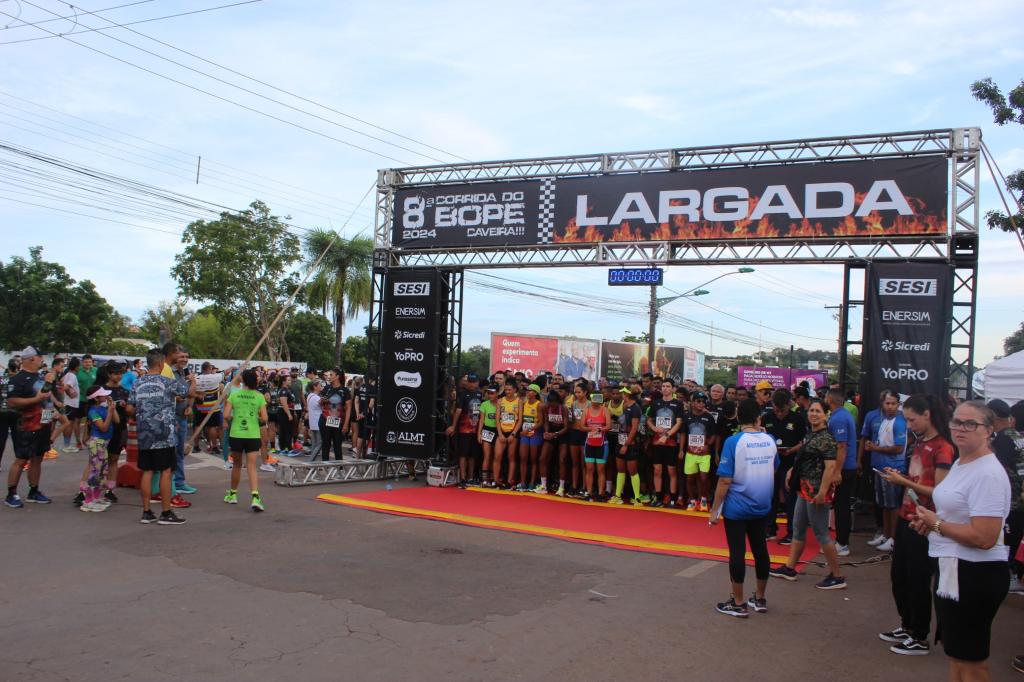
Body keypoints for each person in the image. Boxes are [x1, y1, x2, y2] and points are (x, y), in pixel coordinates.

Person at [910, 401, 1011, 681]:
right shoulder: (962, 461)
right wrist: (931, 525)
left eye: (970, 424)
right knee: (958, 656)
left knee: (972, 663)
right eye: (956, 421)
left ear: (989, 430)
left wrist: (937, 524)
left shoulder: (987, 473)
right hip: (954, 569)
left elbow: (984, 537)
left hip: (974, 574)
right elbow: (955, 513)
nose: (960, 428)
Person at [876, 394, 954, 656]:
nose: (909, 425)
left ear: (927, 414)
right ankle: (907, 625)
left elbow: (939, 492)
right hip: (906, 515)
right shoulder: (920, 442)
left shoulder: (943, 447)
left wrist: (905, 483)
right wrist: (900, 478)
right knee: (900, 576)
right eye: (906, 420)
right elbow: (917, 477)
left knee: (918, 580)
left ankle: (919, 635)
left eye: (911, 419)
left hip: (924, 522)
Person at [710, 398, 779, 617]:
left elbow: (724, 480)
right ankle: (760, 598)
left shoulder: (733, 442)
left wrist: (714, 510)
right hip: (762, 504)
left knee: (737, 552)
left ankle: (738, 602)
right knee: (760, 550)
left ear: (739, 417)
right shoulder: (769, 440)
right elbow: (773, 468)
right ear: (758, 417)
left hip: (737, 507)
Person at [770, 398, 847, 590]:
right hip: (803, 489)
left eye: (818, 411)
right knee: (798, 528)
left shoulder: (826, 438)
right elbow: (804, 459)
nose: (813, 414)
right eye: (811, 410)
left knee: (821, 533)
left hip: (816, 492)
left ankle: (837, 575)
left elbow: (830, 467)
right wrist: (791, 472)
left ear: (826, 415)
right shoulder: (811, 434)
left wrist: (822, 492)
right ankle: (789, 568)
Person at [127, 348, 193, 525]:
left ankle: (147, 511)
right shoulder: (167, 381)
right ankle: (165, 512)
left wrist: (142, 415)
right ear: (160, 363)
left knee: (147, 471)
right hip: (164, 433)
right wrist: (191, 381)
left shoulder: (137, 383)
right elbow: (186, 392)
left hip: (144, 433)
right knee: (166, 471)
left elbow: (129, 408)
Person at [5, 346, 55, 507]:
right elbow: (12, 402)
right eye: (40, 357)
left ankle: (34, 491)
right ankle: (11, 494)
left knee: (38, 458)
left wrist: (51, 417)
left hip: (43, 424)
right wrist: (35, 399)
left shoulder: (42, 377)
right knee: (21, 459)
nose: (42, 360)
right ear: (32, 358)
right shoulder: (17, 379)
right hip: (26, 425)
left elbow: (47, 400)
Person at [986, 398, 1024, 593]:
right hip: (1019, 498)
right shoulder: (1015, 435)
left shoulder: (1003, 439)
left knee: (1010, 540)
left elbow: (996, 469)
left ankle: (1010, 575)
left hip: (1012, 501)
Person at [865, 390, 909, 552]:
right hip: (880, 467)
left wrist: (876, 448)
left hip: (893, 469)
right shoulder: (885, 420)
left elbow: (898, 448)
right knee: (884, 504)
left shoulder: (899, 422)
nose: (890, 406)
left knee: (893, 505)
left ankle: (893, 538)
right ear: (882, 404)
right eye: (887, 403)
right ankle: (885, 534)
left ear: (898, 405)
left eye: (893, 403)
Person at [763, 389, 806, 543]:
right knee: (770, 497)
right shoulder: (766, 418)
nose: (779, 413)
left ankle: (792, 532)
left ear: (789, 405)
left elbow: (804, 442)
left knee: (790, 498)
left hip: (790, 464)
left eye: (782, 410)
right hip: (771, 464)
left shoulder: (798, 419)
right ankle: (770, 529)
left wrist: (791, 450)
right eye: (776, 409)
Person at [223, 369, 269, 512]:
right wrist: (256, 418)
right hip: (253, 435)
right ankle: (255, 497)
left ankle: (233, 494)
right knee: (252, 466)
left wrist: (234, 418)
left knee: (237, 465)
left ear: (243, 380)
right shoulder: (259, 396)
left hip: (237, 434)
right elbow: (265, 418)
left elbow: (226, 414)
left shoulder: (234, 395)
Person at [825, 387, 858, 557]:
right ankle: (840, 541)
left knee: (841, 505)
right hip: (845, 467)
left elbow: (841, 446)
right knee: (839, 504)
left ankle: (843, 543)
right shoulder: (842, 415)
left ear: (830, 399)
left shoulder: (839, 418)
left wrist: (837, 471)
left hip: (844, 468)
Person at [80, 385, 119, 512]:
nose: (106, 396)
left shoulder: (104, 408)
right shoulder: (93, 411)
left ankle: (96, 498)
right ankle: (88, 501)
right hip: (97, 443)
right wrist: (109, 413)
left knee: (102, 472)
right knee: (95, 473)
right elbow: (103, 428)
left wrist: (112, 408)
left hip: (103, 444)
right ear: (97, 398)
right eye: (103, 395)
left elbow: (117, 420)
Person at [646, 378, 684, 507]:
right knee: (657, 470)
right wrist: (654, 428)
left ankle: (673, 498)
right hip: (657, 442)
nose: (665, 388)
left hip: (671, 443)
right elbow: (649, 420)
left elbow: (679, 423)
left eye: (668, 386)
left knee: (671, 471)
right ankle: (658, 497)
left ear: (673, 389)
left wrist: (667, 435)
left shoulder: (677, 404)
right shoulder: (656, 403)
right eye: (663, 386)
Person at [682, 390, 718, 512]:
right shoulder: (687, 417)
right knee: (690, 478)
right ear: (692, 403)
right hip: (690, 453)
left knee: (704, 477)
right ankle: (692, 501)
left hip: (704, 454)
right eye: (698, 401)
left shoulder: (709, 417)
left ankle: (703, 499)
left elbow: (713, 435)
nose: (701, 404)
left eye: (703, 401)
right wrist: (681, 450)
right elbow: (683, 434)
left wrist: (707, 444)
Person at [610, 388, 645, 506]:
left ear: (627, 395)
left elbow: (634, 428)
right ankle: (618, 495)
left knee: (633, 471)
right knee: (620, 470)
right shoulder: (625, 405)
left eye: (623, 393)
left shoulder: (636, 409)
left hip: (631, 444)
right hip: (620, 440)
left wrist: (626, 444)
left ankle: (637, 498)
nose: (620, 395)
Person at [448, 373, 482, 487]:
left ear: (477, 382)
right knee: (463, 454)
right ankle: (463, 478)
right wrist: (453, 426)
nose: (472, 384)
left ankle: (470, 477)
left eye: (474, 382)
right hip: (464, 429)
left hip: (476, 430)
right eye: (470, 382)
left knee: (473, 455)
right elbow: (458, 411)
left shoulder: (479, 394)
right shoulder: (462, 394)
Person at [538, 388, 569, 494]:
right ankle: (543, 485)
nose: (552, 406)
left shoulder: (563, 409)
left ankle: (561, 487)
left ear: (557, 402)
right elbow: (546, 422)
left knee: (562, 460)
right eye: (549, 404)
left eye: (553, 404)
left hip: (562, 435)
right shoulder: (546, 407)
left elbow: (566, 427)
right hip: (550, 433)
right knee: (542, 458)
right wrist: (546, 432)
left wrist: (555, 434)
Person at [581, 391, 611, 501]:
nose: (595, 400)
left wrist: (599, 429)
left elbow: (609, 426)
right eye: (594, 398)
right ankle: (589, 492)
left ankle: (600, 493)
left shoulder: (605, 410)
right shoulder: (586, 410)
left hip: (602, 444)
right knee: (589, 468)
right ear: (591, 398)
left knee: (601, 470)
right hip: (589, 443)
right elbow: (582, 426)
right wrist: (591, 429)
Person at [563, 382, 590, 496]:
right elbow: (571, 419)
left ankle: (584, 487)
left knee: (584, 463)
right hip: (574, 433)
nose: (577, 394)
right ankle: (574, 486)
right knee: (575, 462)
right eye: (575, 392)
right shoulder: (573, 404)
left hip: (585, 434)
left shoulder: (590, 404)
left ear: (585, 392)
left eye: (579, 392)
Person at [495, 382, 522, 488]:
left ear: (515, 390)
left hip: (513, 432)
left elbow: (520, 420)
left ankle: (510, 480)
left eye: (509, 390)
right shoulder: (500, 401)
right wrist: (500, 434)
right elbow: (497, 418)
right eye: (506, 390)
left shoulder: (519, 401)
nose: (507, 392)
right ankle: (496, 480)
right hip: (502, 431)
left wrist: (513, 434)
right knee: (497, 456)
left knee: (511, 457)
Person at [518, 384, 543, 491]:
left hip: (535, 434)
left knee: (533, 459)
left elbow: (541, 422)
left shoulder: (539, 405)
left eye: (530, 391)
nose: (528, 392)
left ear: (536, 393)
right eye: (527, 390)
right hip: (525, 433)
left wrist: (528, 430)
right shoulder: (524, 403)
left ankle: (532, 482)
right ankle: (523, 482)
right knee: (523, 458)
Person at [477, 386, 500, 487]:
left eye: (492, 393)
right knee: (487, 456)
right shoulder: (484, 404)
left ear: (497, 393)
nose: (490, 395)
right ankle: (485, 480)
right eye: (489, 393)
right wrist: (479, 433)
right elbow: (481, 420)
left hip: (499, 431)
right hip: (487, 429)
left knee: (496, 457)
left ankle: (494, 478)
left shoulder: (501, 403)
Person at [60, 356, 82, 452]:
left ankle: (66, 444)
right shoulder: (72, 376)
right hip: (71, 404)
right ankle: (67, 446)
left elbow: (62, 383)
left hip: (67, 403)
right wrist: (71, 393)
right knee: (69, 424)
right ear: (77, 367)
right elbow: (65, 387)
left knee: (67, 424)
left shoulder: (67, 374)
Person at [306, 379, 324, 461]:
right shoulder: (316, 398)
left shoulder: (310, 396)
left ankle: (311, 463)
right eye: (320, 385)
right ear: (315, 387)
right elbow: (323, 408)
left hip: (312, 422)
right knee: (320, 443)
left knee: (314, 444)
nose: (321, 386)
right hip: (317, 422)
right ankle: (311, 461)